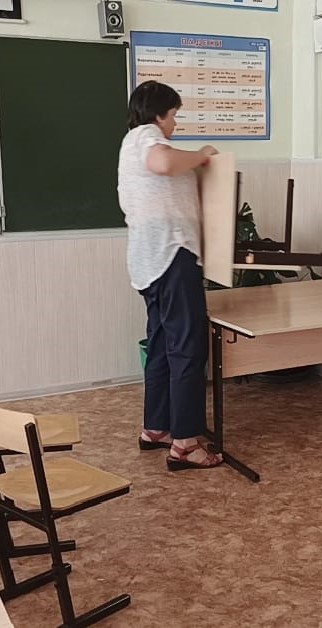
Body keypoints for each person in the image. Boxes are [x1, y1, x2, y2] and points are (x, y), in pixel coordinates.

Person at [117, 80, 223, 471]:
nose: (175, 124)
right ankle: (185, 444)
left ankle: (156, 427)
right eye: (174, 115)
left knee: (162, 345)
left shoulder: (131, 142)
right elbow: (162, 163)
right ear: (158, 114)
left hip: (151, 261)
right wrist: (203, 155)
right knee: (188, 348)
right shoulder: (147, 136)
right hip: (171, 256)